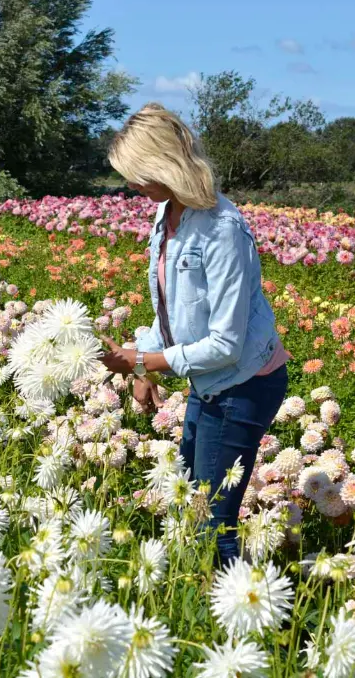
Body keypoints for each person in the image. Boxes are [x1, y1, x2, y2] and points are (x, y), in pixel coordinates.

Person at [99, 103, 289, 566]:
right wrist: (144, 362)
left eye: (138, 173)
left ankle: (240, 619)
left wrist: (143, 363)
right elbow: (171, 314)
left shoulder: (222, 230)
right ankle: (205, 601)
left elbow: (225, 344)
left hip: (244, 382)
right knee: (192, 495)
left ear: (165, 165)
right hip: (210, 381)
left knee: (212, 520)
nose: (131, 185)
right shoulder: (167, 215)